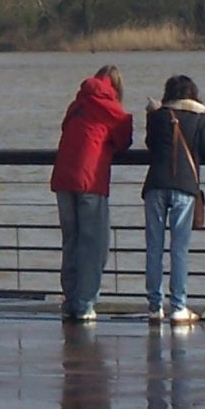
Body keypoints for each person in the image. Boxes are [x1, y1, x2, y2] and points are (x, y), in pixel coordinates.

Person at [49, 64, 134, 322]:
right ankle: (85, 304)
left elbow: (66, 129)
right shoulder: (110, 106)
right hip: (90, 179)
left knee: (71, 241)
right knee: (94, 244)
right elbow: (124, 139)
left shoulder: (78, 104)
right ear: (117, 86)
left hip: (63, 177)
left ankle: (70, 300)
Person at [140, 74, 205, 324]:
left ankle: (154, 306)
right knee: (179, 249)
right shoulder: (200, 116)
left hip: (155, 185)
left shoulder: (158, 115)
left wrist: (152, 115)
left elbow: (151, 144)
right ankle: (178, 306)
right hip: (184, 186)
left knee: (154, 247)